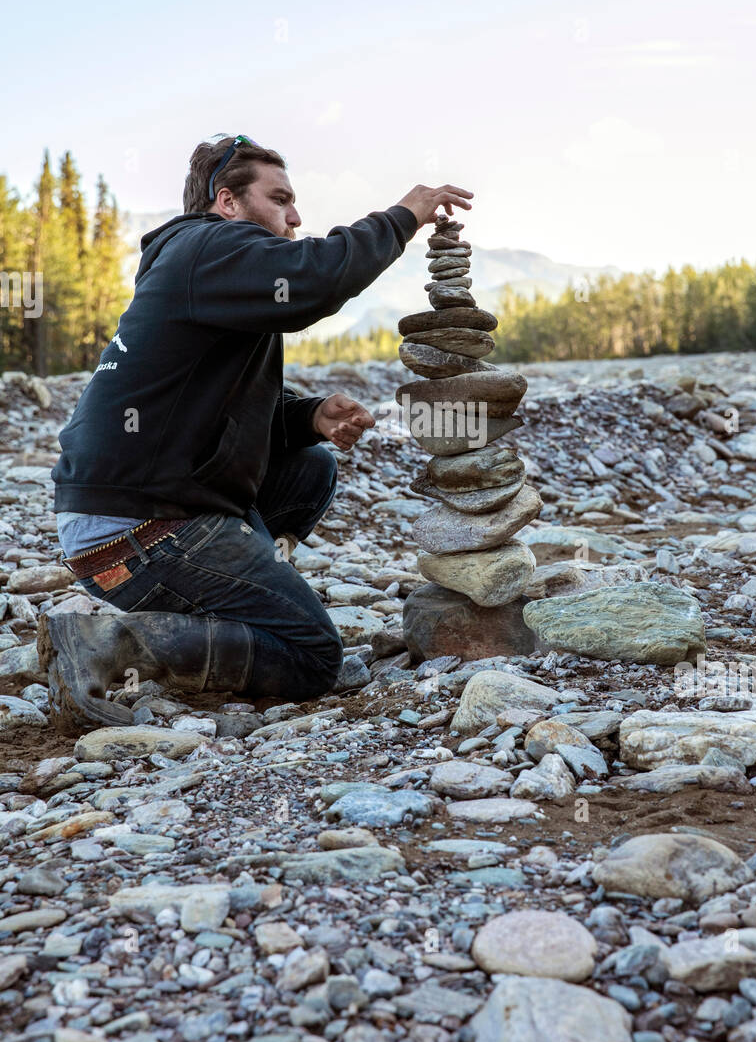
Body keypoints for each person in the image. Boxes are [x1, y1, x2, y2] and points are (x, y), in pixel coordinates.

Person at [41, 133, 472, 733]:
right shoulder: (208, 246)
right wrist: (401, 218)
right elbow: (314, 281)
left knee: (311, 467)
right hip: (136, 528)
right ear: (228, 201)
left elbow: (223, 416)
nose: (296, 217)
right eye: (281, 199)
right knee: (312, 657)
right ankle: (112, 642)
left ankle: (240, 599)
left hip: (136, 510)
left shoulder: (209, 268)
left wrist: (308, 416)